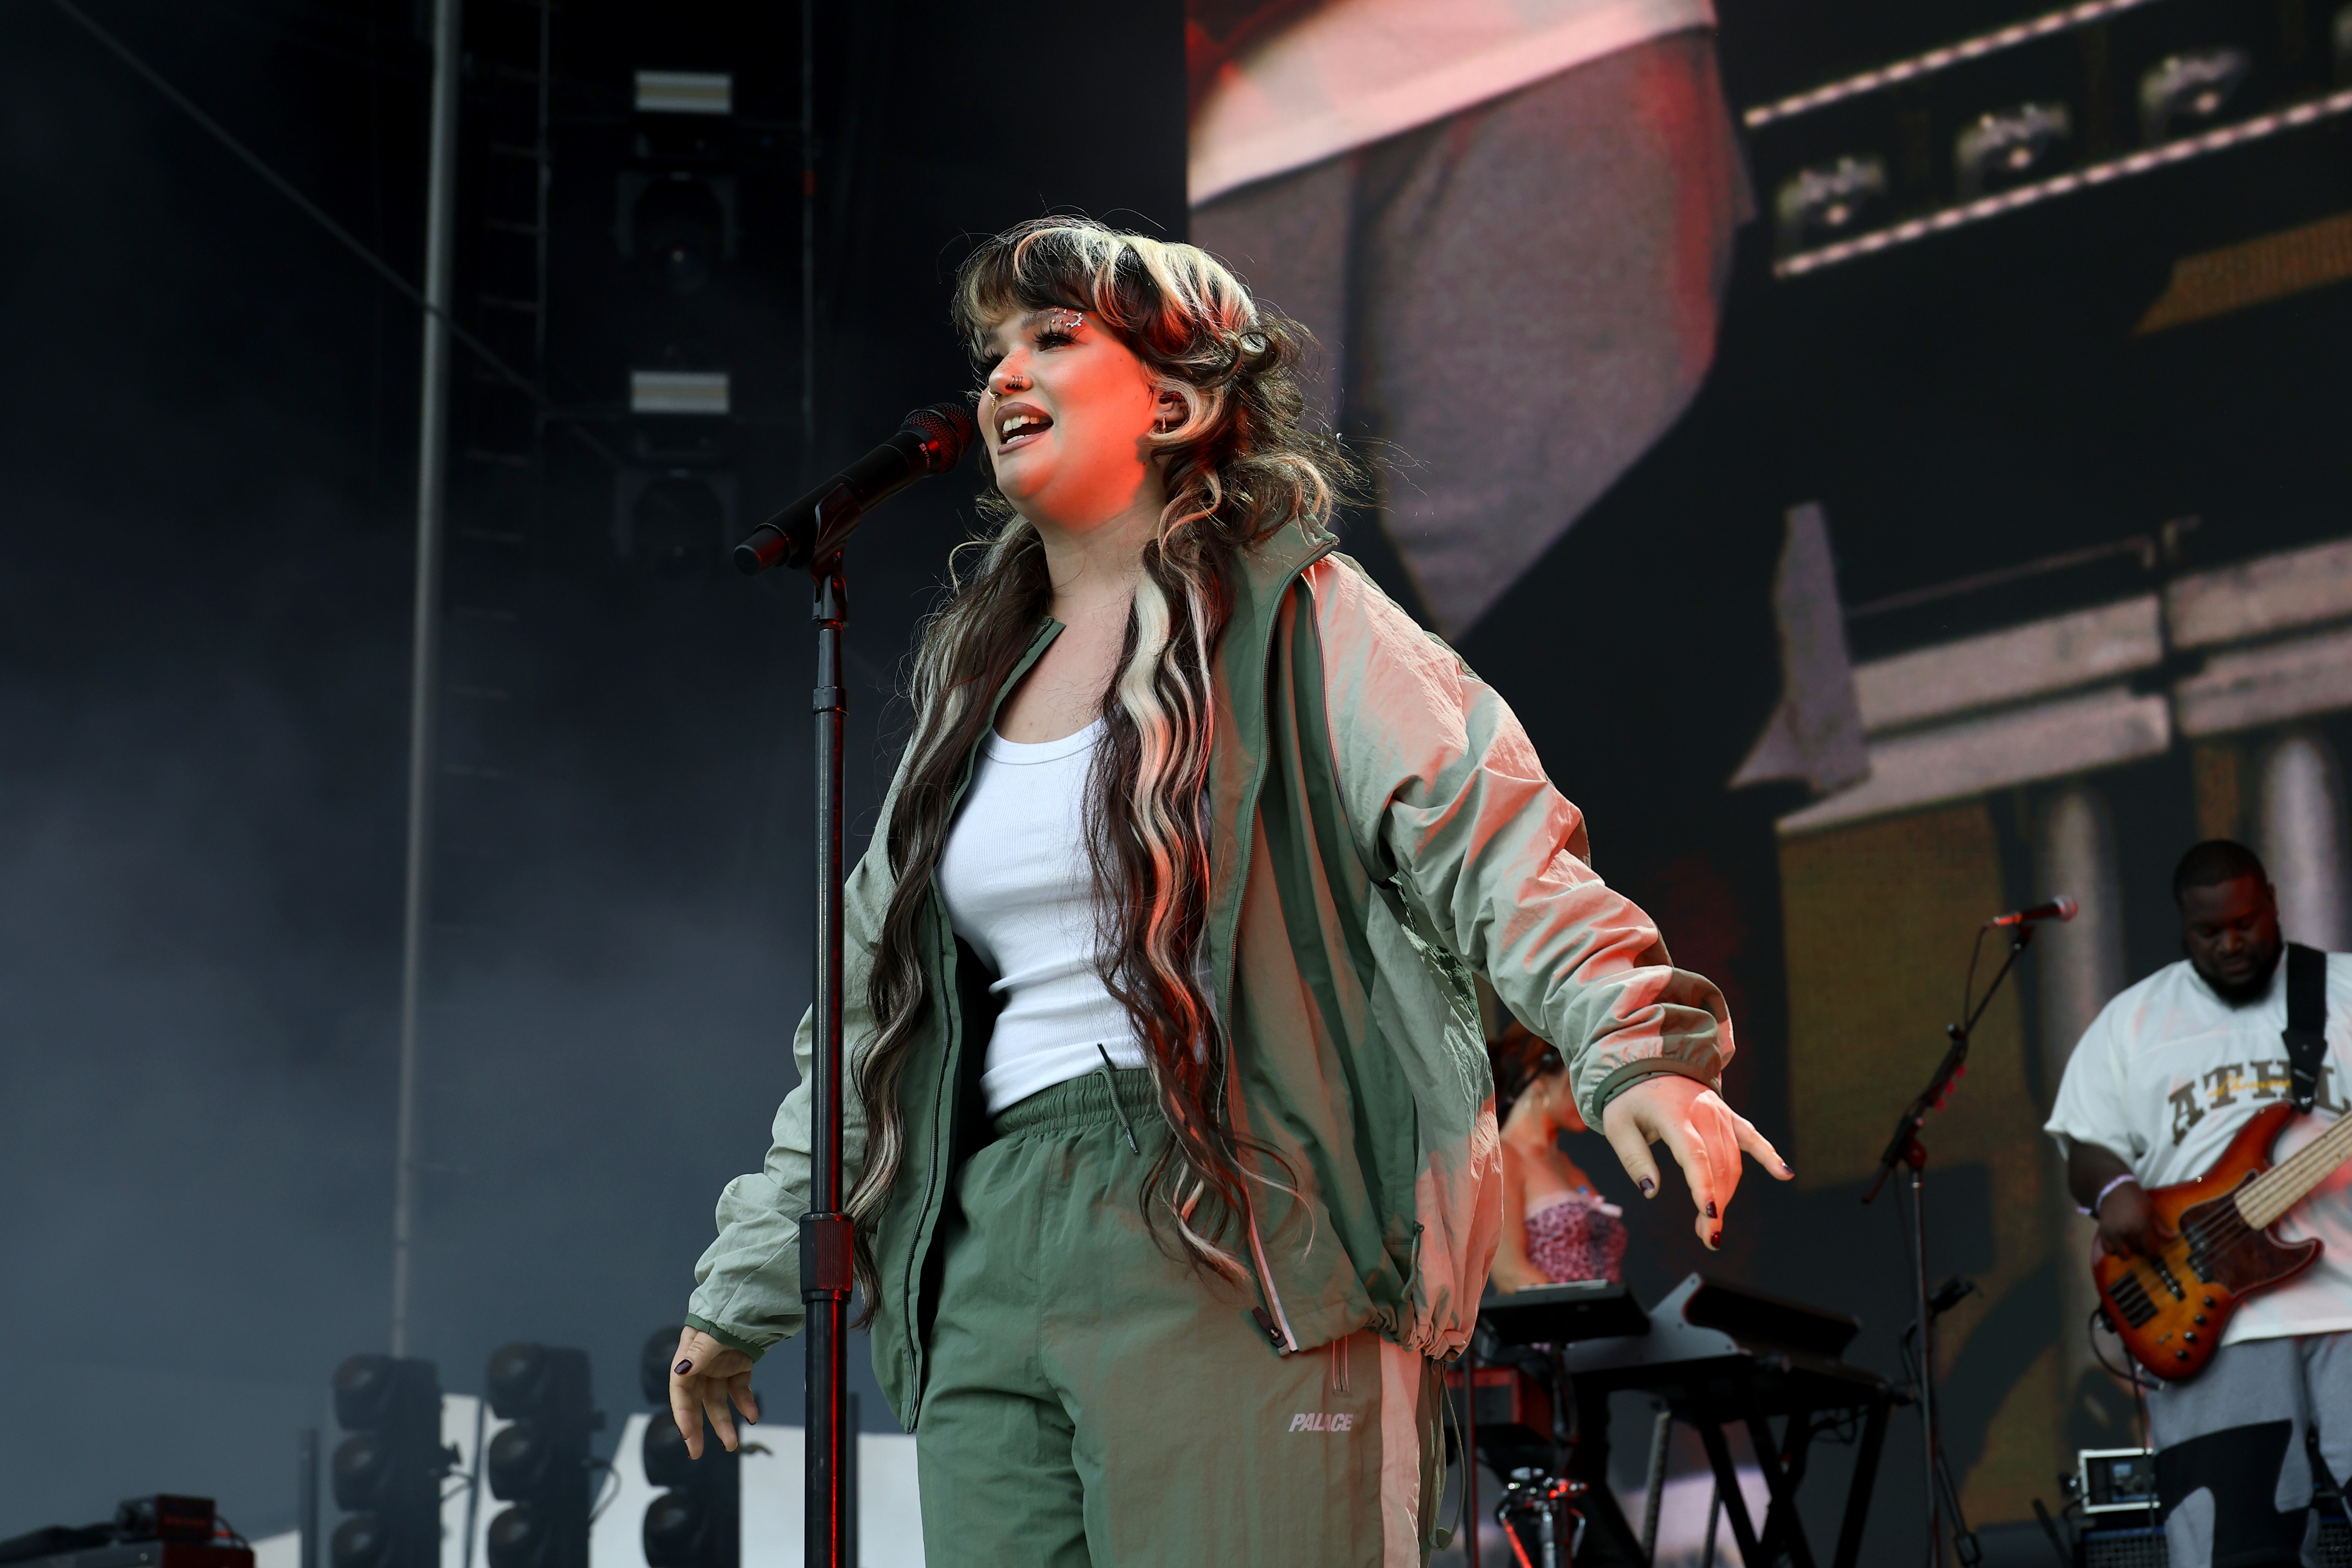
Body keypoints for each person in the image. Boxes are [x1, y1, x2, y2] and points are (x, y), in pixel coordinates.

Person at [664, 217, 1788, 1566]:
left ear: (1177, 402)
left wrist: (1640, 1051)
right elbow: (863, 1023)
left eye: (1054, 337)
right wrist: (745, 1284)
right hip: (984, 1237)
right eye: (994, 348)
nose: (1005, 373)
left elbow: (1498, 846)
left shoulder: (1306, 621)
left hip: (1242, 1204)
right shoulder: (967, 700)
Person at [2046, 840, 2352, 1568]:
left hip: (2348, 1303)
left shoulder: (2343, 990)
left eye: (2245, 924)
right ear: (2183, 925)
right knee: (2237, 1553)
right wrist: (2116, 1190)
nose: (2231, 944)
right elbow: (2087, 1146)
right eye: (2209, 932)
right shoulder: (2133, 1020)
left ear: (2273, 903)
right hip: (2213, 1324)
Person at [1487, 1022, 1627, 1291]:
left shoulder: (1567, 1166)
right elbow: (1510, 1274)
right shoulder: (1502, 1158)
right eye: (1582, 1082)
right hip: (1553, 1318)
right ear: (1538, 1076)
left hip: (1606, 1318)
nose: (1592, 1097)